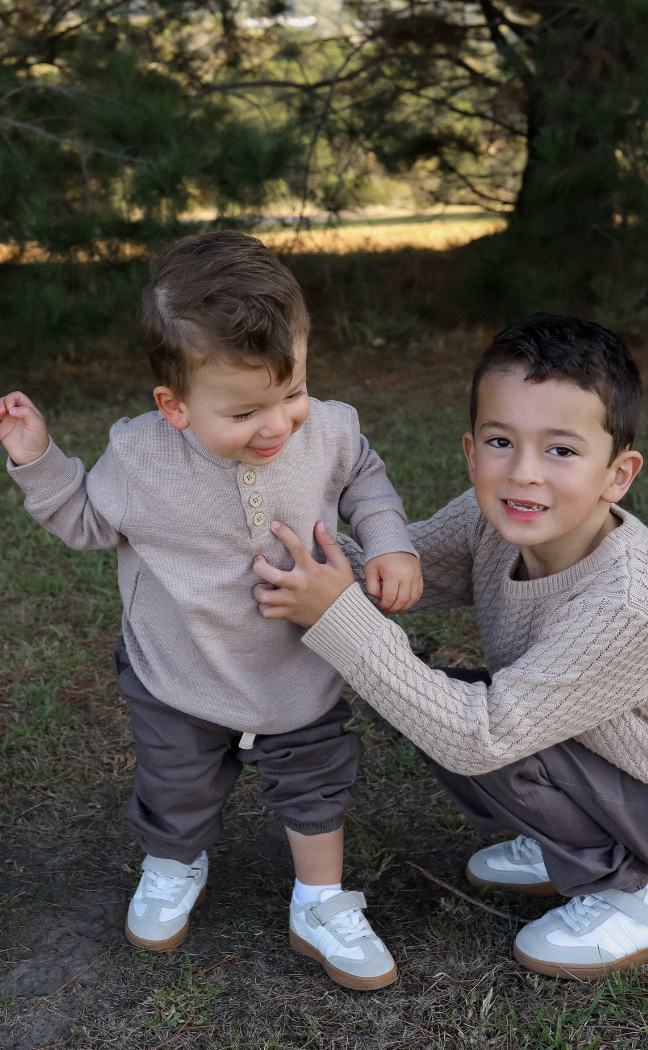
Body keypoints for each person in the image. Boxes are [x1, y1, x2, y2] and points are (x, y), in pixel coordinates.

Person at [0, 231, 423, 991]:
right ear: (176, 407)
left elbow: (365, 477)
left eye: (291, 391)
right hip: (178, 669)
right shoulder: (139, 457)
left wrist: (390, 545)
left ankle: (320, 902)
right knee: (177, 783)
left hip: (300, 663)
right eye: (246, 410)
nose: (278, 425)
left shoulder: (325, 430)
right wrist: (39, 460)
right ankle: (173, 863)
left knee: (316, 778)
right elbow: (86, 522)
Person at [252, 313, 648, 979]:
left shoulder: (625, 603)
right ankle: (571, 837)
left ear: (618, 474)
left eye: (562, 450)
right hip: (600, 753)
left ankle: (644, 888)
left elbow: (479, 736)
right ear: (470, 451)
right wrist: (276, 540)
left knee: (460, 722)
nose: (523, 474)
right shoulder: (490, 522)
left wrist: (337, 617)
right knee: (420, 694)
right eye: (500, 440)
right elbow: (395, 575)